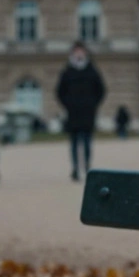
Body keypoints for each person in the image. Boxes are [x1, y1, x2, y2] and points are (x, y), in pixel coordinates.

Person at [55, 42, 105, 181]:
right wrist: (68, 105)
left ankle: (87, 166)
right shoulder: (67, 71)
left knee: (87, 142)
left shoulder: (92, 70)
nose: (79, 53)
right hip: (73, 113)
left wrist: (93, 104)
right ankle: (76, 168)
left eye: (81, 51)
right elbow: (59, 92)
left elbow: (101, 90)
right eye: (76, 51)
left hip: (88, 112)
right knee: (74, 143)